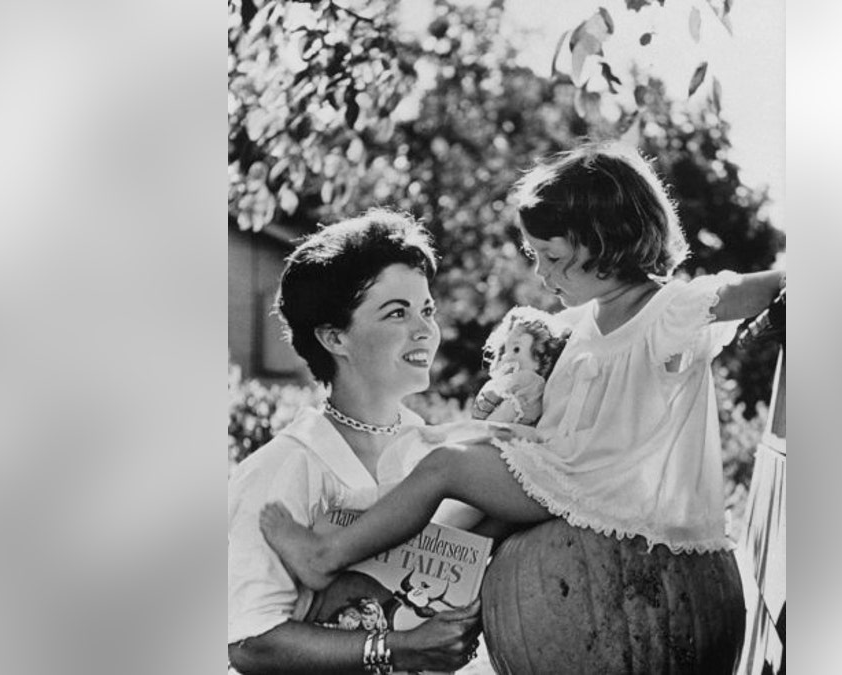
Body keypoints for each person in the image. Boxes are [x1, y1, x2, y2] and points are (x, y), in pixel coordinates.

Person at [258, 141, 786, 593]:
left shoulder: (667, 311)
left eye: (553, 258)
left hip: (613, 495)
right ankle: (408, 599)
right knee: (471, 502)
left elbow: (764, 286)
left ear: (611, 242)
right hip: (572, 477)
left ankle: (326, 556)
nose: (541, 273)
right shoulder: (584, 320)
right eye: (535, 256)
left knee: (447, 468)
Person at [227, 210, 482, 674]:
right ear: (334, 337)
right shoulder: (283, 470)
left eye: (426, 310)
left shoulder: (439, 455)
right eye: (396, 313)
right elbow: (248, 642)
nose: (424, 329)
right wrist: (394, 646)